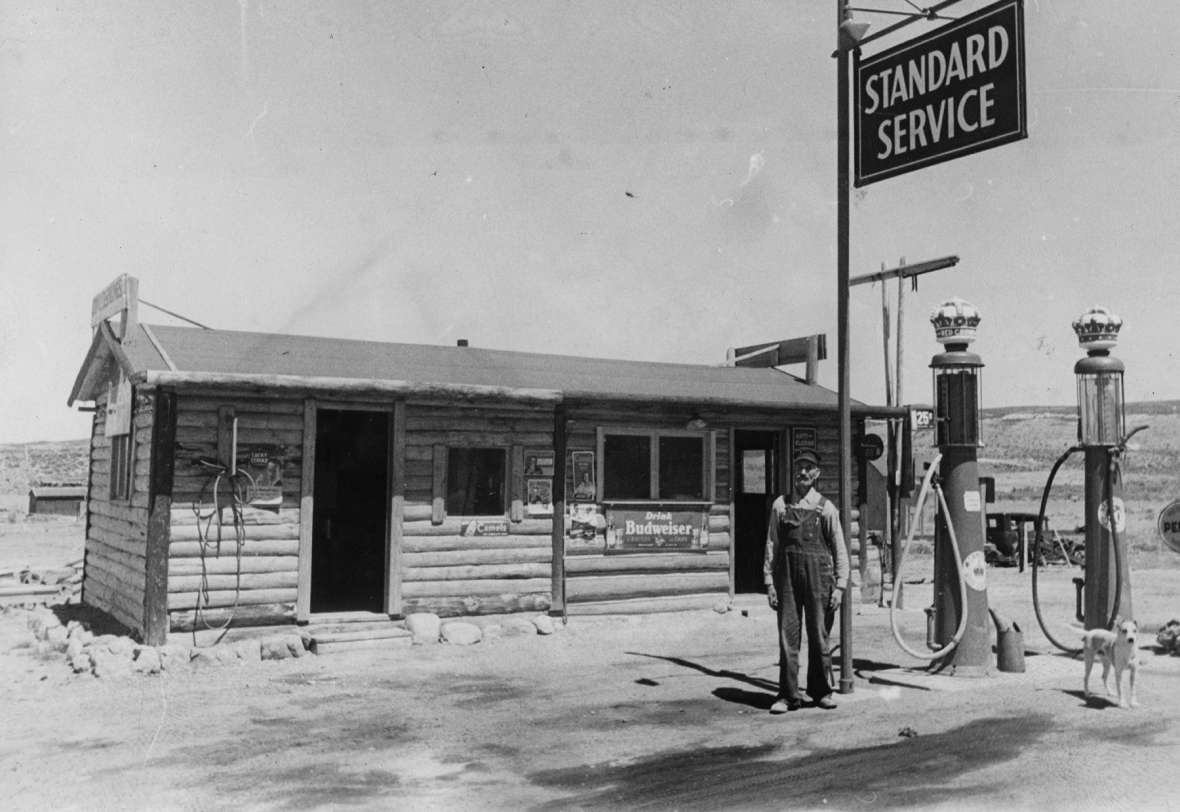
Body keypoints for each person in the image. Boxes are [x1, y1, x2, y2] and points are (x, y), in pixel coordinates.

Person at [764, 449, 849, 713]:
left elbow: (840, 549)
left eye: (808, 468)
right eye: (799, 467)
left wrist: (841, 586)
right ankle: (788, 696)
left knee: (819, 637)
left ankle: (821, 691)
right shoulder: (781, 505)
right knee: (788, 637)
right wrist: (769, 582)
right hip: (787, 579)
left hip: (819, 580)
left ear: (816, 474)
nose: (802, 472)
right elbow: (771, 545)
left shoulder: (827, 508)